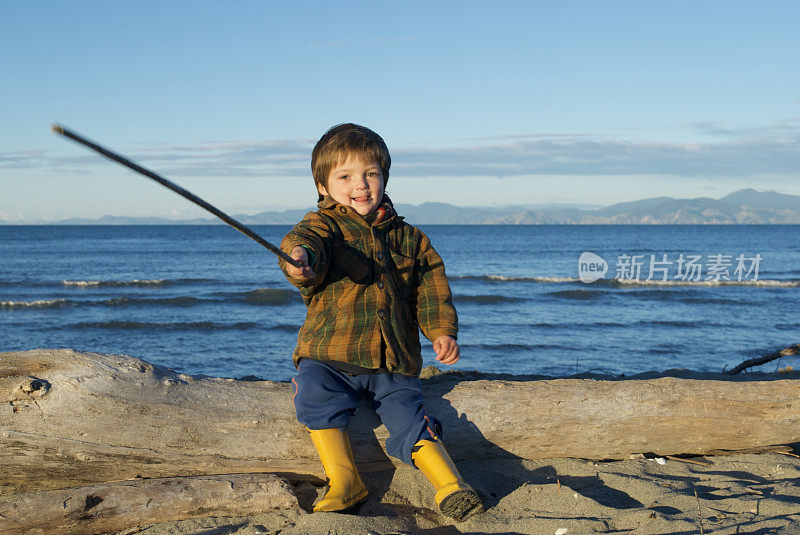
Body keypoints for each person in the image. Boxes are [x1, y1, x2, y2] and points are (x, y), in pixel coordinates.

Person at [279, 123, 483, 521]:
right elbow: (303, 241)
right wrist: (300, 260)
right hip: (330, 355)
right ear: (323, 186)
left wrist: (441, 331)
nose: (361, 185)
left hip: (393, 358)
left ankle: (450, 484)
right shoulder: (325, 227)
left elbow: (431, 288)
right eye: (345, 176)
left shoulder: (411, 239)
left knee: (411, 415)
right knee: (313, 394)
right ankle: (345, 481)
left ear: (385, 177)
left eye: (371, 173)